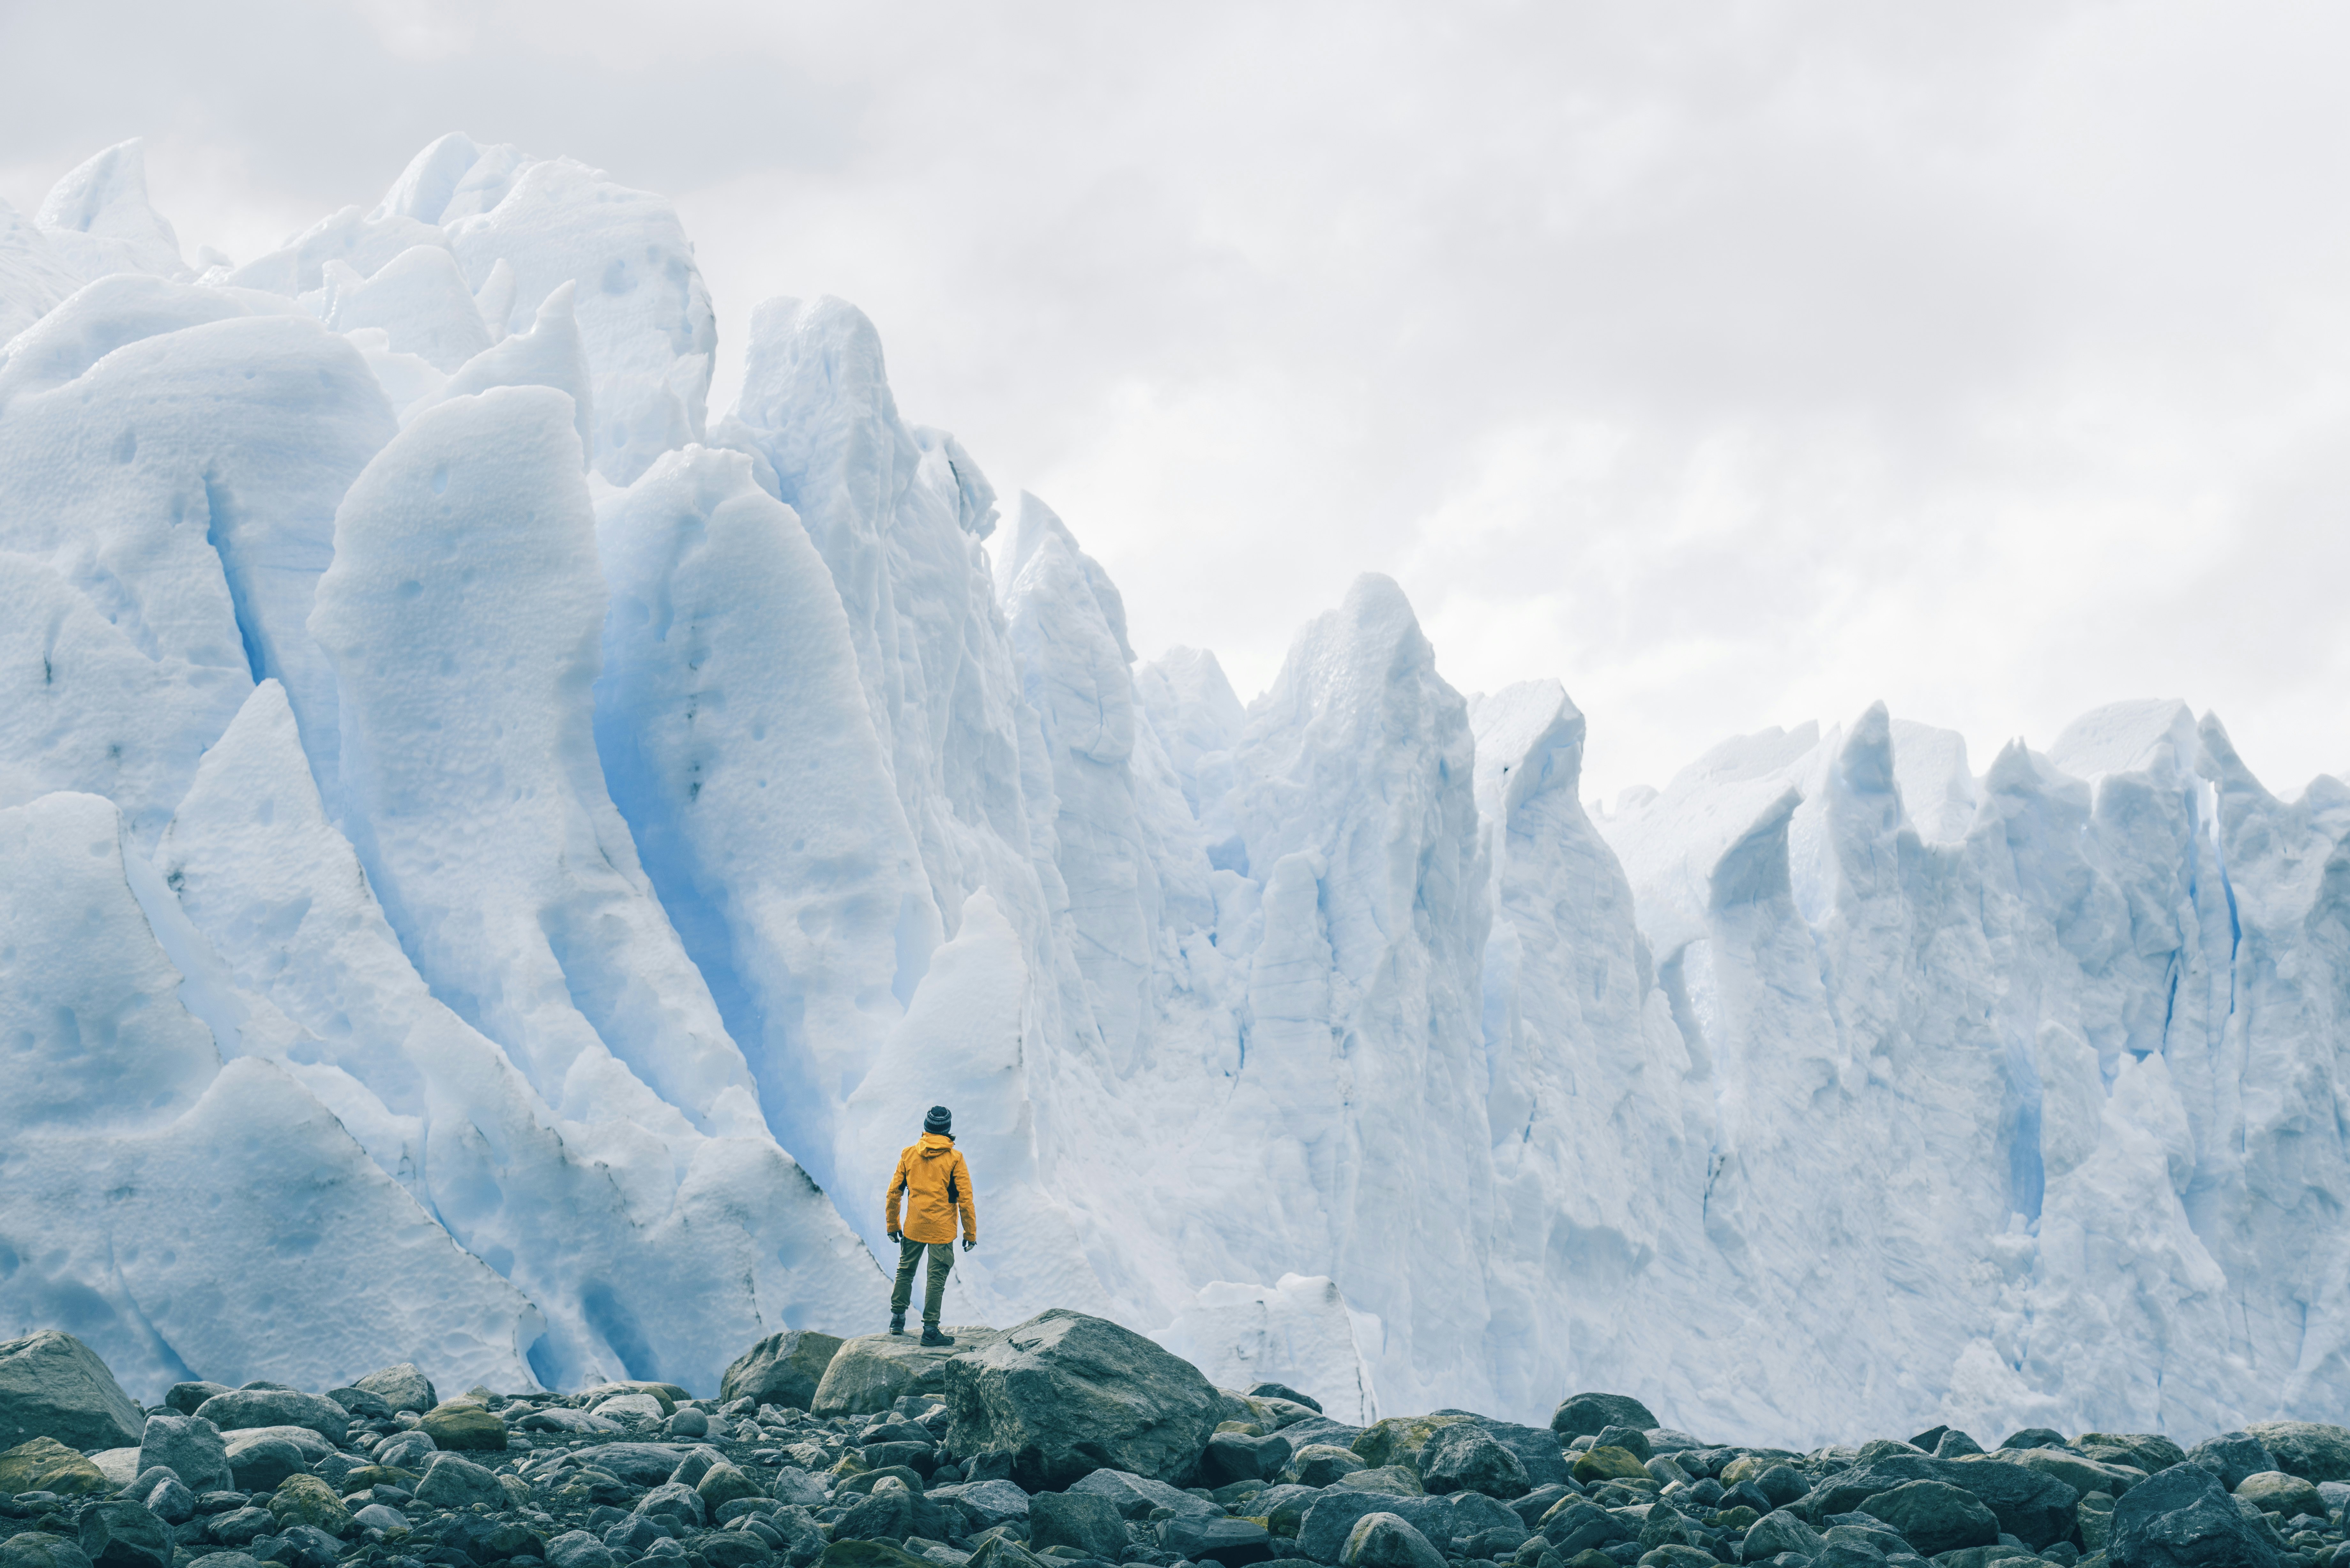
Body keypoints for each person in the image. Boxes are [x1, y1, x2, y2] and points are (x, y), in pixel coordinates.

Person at [884, 1104, 977, 1345]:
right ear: (947, 1130)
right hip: (942, 1230)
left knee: (905, 1271)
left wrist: (893, 1225)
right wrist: (970, 1232)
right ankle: (931, 1331)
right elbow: (965, 1199)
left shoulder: (909, 1154)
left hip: (914, 1226)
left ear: (926, 1128)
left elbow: (894, 1193)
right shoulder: (955, 1159)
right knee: (935, 1279)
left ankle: (897, 1320)